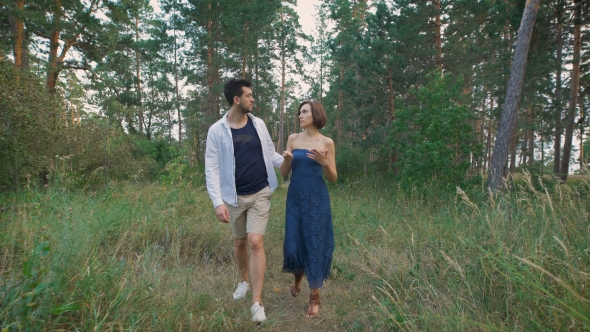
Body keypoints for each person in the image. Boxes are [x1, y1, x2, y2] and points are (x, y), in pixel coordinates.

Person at [205, 78, 283, 323]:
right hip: (233, 197)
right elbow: (212, 169)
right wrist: (218, 201)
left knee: (255, 241)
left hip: (261, 191)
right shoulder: (217, 130)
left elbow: (271, 154)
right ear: (237, 99)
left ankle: (256, 303)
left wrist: (294, 161)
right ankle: (243, 280)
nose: (253, 99)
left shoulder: (258, 124)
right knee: (239, 243)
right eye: (249, 95)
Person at [279, 100, 337, 318]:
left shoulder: (327, 142)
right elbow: (284, 173)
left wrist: (325, 163)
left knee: (314, 243)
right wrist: (286, 159)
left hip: (317, 199)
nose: (300, 115)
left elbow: (333, 178)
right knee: (294, 243)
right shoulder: (293, 139)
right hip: (295, 198)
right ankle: (297, 277)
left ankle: (314, 297)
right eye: (299, 112)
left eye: (304, 112)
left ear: (316, 114)